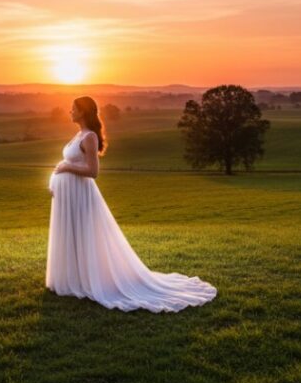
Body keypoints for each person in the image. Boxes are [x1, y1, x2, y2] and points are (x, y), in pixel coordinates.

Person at [46, 96, 217, 312]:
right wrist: (57, 176)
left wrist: (66, 168)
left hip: (80, 195)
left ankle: (90, 279)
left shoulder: (89, 137)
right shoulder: (78, 135)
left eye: (73, 108)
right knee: (72, 235)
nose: (70, 111)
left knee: (83, 234)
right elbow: (70, 162)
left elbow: (93, 171)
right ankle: (76, 278)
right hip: (70, 196)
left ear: (83, 112)